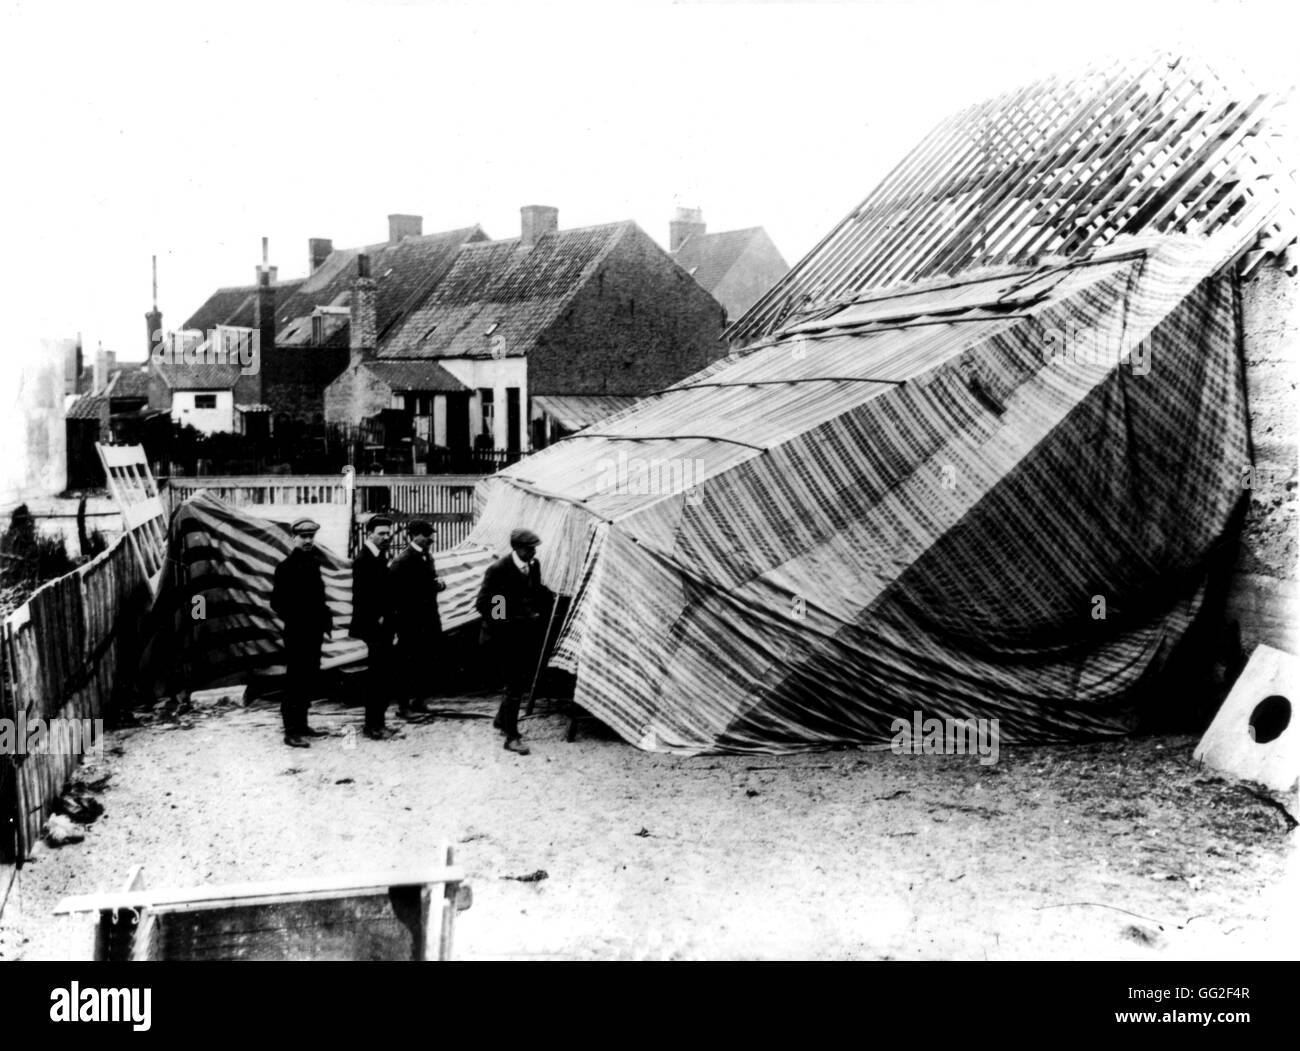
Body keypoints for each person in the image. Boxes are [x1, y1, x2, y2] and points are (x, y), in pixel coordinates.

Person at [475, 527, 552, 755]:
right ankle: (511, 737)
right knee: (514, 685)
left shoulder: (532, 566)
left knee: (517, 682)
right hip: (503, 636)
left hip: (523, 634)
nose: (534, 552)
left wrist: (548, 600)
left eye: (535, 548)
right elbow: (485, 603)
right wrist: (506, 621)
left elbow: (535, 590)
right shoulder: (499, 570)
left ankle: (502, 720)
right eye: (530, 549)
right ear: (517, 548)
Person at [270, 517, 333, 748]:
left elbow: (319, 598)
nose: (308, 541)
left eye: (311, 536)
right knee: (295, 681)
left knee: (308, 679)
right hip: (298, 634)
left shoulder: (313, 563)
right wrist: (300, 618)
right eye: (303, 537)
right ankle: (291, 731)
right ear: (293, 538)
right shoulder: (286, 567)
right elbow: (277, 603)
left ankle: (303, 724)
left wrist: (324, 619)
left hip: (314, 632)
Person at [389, 519, 446, 718]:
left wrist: (440, 584)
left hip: (428, 619)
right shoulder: (402, 560)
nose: (431, 538)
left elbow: (430, 581)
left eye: (431, 534)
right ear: (414, 536)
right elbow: (397, 594)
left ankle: (419, 701)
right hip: (409, 622)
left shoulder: (427, 557)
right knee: (406, 665)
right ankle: (403, 707)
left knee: (425, 661)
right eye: (426, 534)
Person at [351, 515, 397, 740]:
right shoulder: (364, 559)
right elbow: (362, 597)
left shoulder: (378, 556)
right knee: (377, 677)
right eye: (381, 533)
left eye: (389, 533)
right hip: (374, 627)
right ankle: (373, 726)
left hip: (382, 625)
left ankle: (379, 722)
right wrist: (378, 619)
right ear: (369, 533)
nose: (386, 537)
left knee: (382, 675)